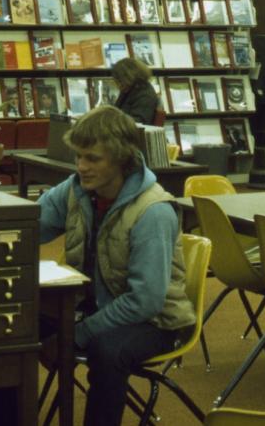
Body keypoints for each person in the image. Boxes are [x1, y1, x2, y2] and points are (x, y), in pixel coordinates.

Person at [37, 106, 195, 426]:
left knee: (107, 351)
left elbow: (145, 302)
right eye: (78, 156)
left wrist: (76, 335)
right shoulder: (76, 190)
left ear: (121, 159)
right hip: (93, 306)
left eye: (93, 158)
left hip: (155, 322)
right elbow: (29, 227)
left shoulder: (153, 212)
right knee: (8, 325)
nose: (81, 166)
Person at [111, 57, 160, 125]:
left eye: (120, 81)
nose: (118, 85)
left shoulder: (145, 94)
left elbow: (139, 122)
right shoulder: (129, 90)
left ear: (130, 76)